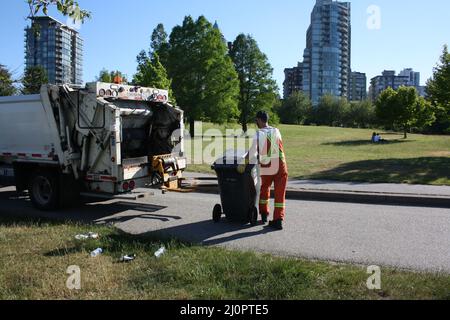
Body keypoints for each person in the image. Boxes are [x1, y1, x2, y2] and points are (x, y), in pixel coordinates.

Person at [238, 111, 288, 230]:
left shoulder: (258, 133)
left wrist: (243, 163)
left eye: (256, 121)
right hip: (281, 165)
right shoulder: (276, 130)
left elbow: (252, 151)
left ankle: (264, 214)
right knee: (280, 193)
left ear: (260, 120)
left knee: (265, 189)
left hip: (268, 165)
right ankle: (278, 220)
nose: (256, 123)